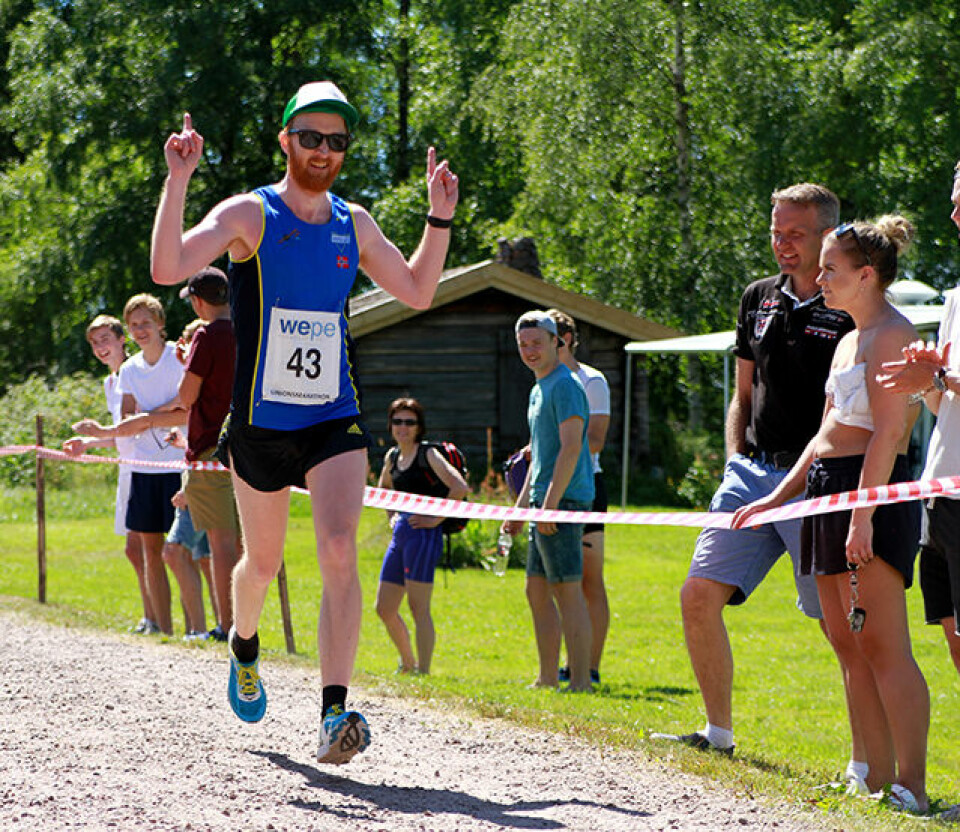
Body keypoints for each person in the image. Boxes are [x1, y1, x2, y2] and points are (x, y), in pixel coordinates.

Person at [150, 80, 458, 764]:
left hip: (332, 417)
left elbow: (417, 290)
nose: (324, 152)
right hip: (259, 427)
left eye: (338, 141)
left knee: (342, 548)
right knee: (261, 565)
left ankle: (333, 713)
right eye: (311, 138)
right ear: (286, 139)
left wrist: (438, 222)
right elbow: (168, 265)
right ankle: (244, 645)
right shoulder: (249, 214)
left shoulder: (356, 223)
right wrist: (179, 179)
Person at [734, 215, 928, 813]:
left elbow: (888, 437)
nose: (817, 278)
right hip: (825, 491)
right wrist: (776, 497)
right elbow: (823, 436)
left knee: (884, 644)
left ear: (867, 274)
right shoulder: (846, 337)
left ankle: (912, 787)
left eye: (830, 268)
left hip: (867, 494)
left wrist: (862, 516)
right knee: (845, 641)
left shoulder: (893, 335)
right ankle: (869, 776)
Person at [653, 184, 854, 758]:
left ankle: (868, 763)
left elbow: (842, 410)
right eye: (776, 232)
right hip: (750, 475)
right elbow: (743, 392)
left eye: (795, 234)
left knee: (838, 627)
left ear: (827, 235)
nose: (782, 245)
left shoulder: (847, 303)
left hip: (817, 480)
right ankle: (717, 735)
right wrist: (735, 457)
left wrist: (806, 471)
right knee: (697, 594)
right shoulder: (757, 297)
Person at [878, 160, 960, 678]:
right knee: (953, 636)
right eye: (954, 201)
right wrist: (927, 382)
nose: (954, 214)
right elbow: (942, 405)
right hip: (942, 489)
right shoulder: (955, 297)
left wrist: (944, 378)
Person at [73, 294, 189, 636]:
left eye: (145, 323)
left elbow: (186, 409)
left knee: (183, 552)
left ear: (159, 324)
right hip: (139, 468)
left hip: (178, 467)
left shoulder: (177, 359)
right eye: (134, 324)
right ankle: (160, 627)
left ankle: (196, 628)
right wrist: (96, 437)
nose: (140, 330)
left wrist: (148, 419)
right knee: (146, 550)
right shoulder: (127, 373)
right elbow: (127, 422)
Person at [502, 311, 595, 692]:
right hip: (543, 502)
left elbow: (572, 450)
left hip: (563, 503)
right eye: (523, 344)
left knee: (567, 591)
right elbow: (539, 459)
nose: (529, 350)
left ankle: (580, 684)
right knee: (536, 590)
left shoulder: (566, 386)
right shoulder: (538, 388)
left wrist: (548, 507)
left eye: (537, 343)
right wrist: (520, 511)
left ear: (558, 342)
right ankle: (545, 679)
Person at [63, 315, 157, 634]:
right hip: (126, 467)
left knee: (156, 549)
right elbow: (117, 434)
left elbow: (141, 423)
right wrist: (87, 442)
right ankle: (151, 617)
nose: (102, 347)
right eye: (95, 343)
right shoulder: (110, 382)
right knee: (134, 550)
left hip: (151, 466)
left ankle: (161, 619)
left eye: (106, 339)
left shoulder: (137, 373)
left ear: (121, 340)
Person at [168, 267, 241, 642]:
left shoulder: (206, 335)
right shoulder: (247, 328)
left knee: (220, 543)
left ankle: (228, 626)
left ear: (198, 301)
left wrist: (188, 362)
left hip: (211, 446)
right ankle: (247, 623)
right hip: (246, 447)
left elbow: (186, 397)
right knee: (244, 543)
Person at [375, 397, 468, 674]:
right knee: (384, 608)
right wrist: (392, 517)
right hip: (401, 536)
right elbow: (383, 489)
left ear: (419, 427)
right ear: (390, 425)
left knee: (419, 609)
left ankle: (424, 672)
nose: (403, 427)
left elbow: (459, 486)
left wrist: (435, 519)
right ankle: (408, 663)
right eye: (398, 421)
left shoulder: (428, 454)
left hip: (424, 538)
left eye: (409, 422)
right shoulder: (391, 456)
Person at [546, 309, 611, 687]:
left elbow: (596, 441)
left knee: (589, 579)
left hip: (587, 486)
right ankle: (564, 664)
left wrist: (561, 453)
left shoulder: (592, 380)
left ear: (566, 340)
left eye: (549, 337)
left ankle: (590, 665)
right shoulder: (546, 381)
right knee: (555, 579)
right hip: (554, 485)